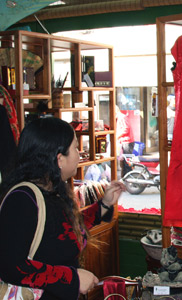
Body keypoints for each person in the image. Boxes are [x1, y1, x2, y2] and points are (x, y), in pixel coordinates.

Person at [0, 117, 126, 299]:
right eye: (75, 147)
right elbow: (10, 266)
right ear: (59, 159)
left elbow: (67, 230)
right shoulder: (22, 199)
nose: (79, 153)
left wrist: (105, 204)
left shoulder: (53, 192)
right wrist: (72, 278)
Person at [116, 105, 134, 177]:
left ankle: (129, 176)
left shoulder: (122, 117)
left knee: (127, 161)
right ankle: (125, 177)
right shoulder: (120, 117)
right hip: (124, 141)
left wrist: (116, 136)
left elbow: (126, 129)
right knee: (123, 161)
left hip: (127, 142)